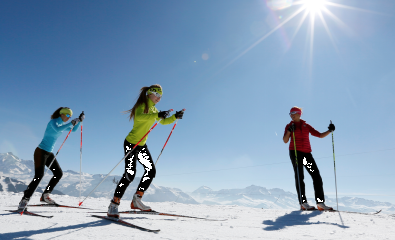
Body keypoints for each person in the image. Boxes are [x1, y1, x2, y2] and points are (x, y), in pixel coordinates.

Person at [107, 84, 184, 218]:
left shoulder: (154, 109)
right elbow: (141, 117)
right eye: (157, 95)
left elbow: (163, 122)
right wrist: (157, 114)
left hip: (142, 145)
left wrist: (174, 117)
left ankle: (137, 200)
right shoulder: (141, 106)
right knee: (130, 174)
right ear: (149, 93)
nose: (159, 98)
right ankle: (114, 204)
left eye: (161, 96)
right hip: (132, 143)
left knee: (151, 170)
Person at [18, 107, 85, 210]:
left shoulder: (63, 124)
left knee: (58, 173)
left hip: (49, 153)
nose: (68, 117)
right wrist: (71, 122)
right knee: (39, 176)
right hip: (40, 152)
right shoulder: (53, 122)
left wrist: (79, 121)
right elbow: (58, 129)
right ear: (61, 114)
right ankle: (24, 200)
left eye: (70, 116)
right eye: (67, 115)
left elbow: (74, 130)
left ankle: (45, 196)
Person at [283, 106, 335, 211]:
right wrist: (289, 131)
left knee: (317, 176)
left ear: (299, 114)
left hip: (307, 153)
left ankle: (320, 203)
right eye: (290, 114)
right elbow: (285, 140)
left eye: (293, 113)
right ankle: (303, 203)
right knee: (299, 177)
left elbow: (319, 135)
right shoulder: (289, 125)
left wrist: (330, 131)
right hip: (295, 152)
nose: (291, 115)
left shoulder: (306, 125)